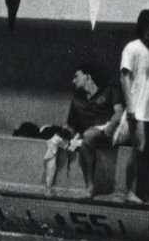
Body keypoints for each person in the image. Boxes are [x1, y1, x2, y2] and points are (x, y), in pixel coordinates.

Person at [47, 63, 125, 198]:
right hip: (90, 135)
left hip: (113, 131)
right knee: (86, 135)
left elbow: (119, 112)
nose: (73, 80)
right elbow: (71, 126)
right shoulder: (77, 100)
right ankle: (89, 186)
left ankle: (89, 188)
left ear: (87, 77)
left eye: (76, 76)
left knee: (89, 134)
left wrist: (112, 125)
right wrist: (62, 135)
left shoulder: (110, 90)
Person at [118, 8, 149, 203]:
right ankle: (129, 191)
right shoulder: (132, 48)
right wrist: (130, 106)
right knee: (138, 149)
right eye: (148, 27)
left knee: (148, 152)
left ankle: (141, 190)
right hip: (137, 108)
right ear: (142, 27)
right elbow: (124, 77)